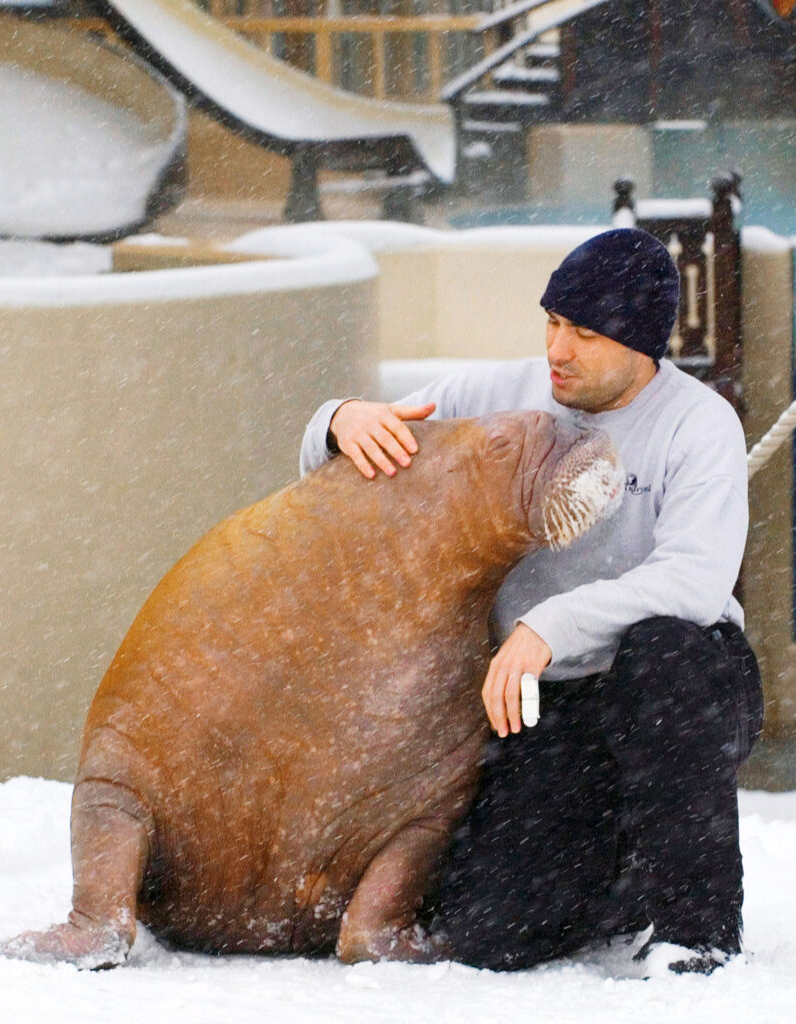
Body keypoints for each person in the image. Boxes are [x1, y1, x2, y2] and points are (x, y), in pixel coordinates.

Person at [299, 228, 763, 976]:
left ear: (641, 345)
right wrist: (340, 418)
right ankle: (624, 879)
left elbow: (695, 581)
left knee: (664, 651)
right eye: (551, 322)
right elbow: (348, 456)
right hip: (547, 698)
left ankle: (696, 935)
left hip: (682, 686)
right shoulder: (493, 397)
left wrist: (546, 625)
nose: (557, 349)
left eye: (583, 333)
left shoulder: (697, 423)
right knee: (489, 932)